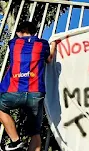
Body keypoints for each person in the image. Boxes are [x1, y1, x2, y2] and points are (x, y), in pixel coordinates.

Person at [0, 21, 56, 151]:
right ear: (35, 32)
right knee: (35, 133)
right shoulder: (42, 44)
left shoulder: (14, 43)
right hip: (35, 93)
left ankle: (15, 142)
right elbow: (49, 59)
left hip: (13, 91)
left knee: (1, 109)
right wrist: (53, 44)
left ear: (19, 32)